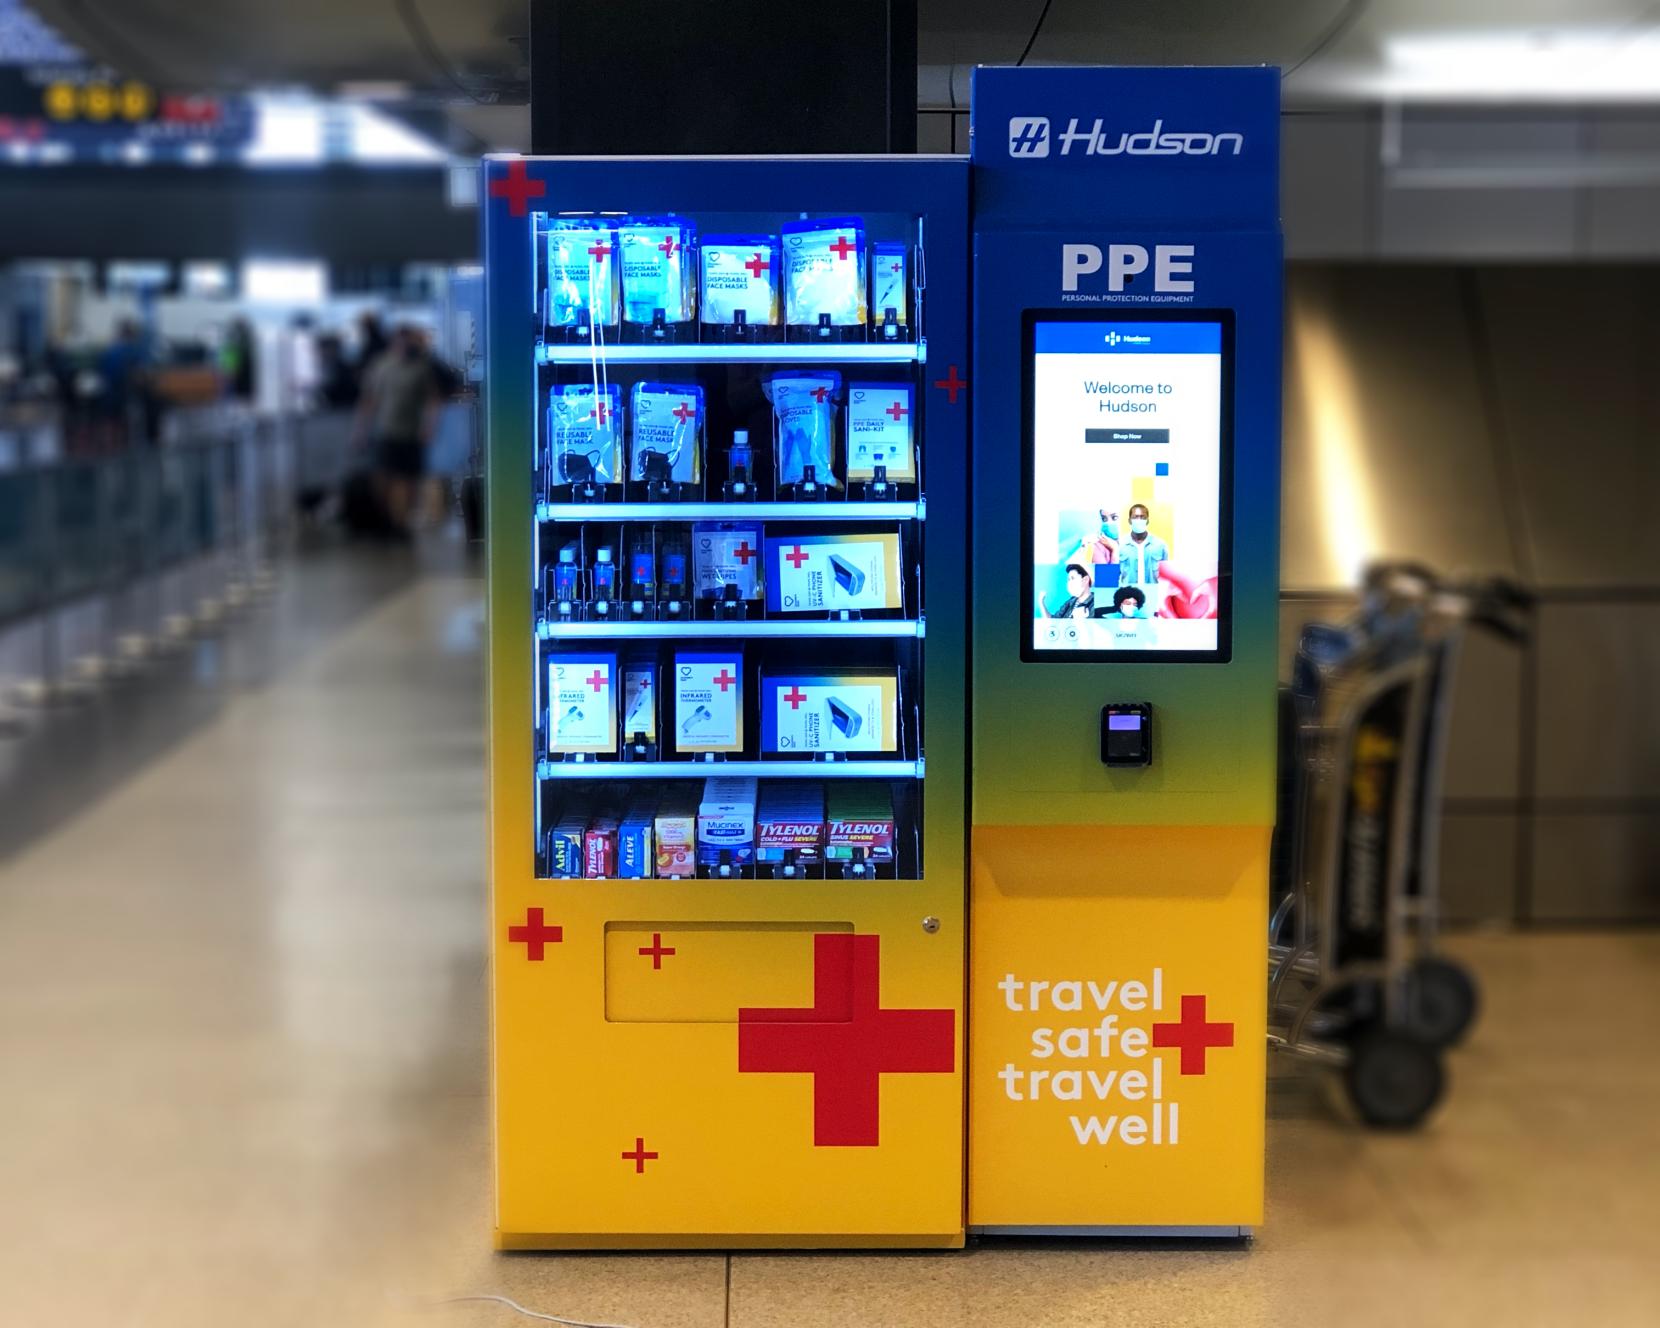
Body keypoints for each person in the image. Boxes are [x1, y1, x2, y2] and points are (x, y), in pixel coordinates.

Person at [355, 325, 441, 536]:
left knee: (407, 481)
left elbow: (433, 400)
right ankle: (387, 520)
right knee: (385, 480)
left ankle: (400, 523)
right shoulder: (381, 366)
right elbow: (370, 400)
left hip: (411, 433)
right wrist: (361, 431)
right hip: (386, 432)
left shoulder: (421, 367)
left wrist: (428, 428)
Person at [1117, 503, 1169, 590]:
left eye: (1142, 517)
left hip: (1153, 593)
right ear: (1129, 520)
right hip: (1127, 594)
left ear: (1147, 520)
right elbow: (1109, 578)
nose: (1139, 520)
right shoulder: (1119, 545)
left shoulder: (1160, 545)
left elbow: (1166, 576)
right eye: (1135, 517)